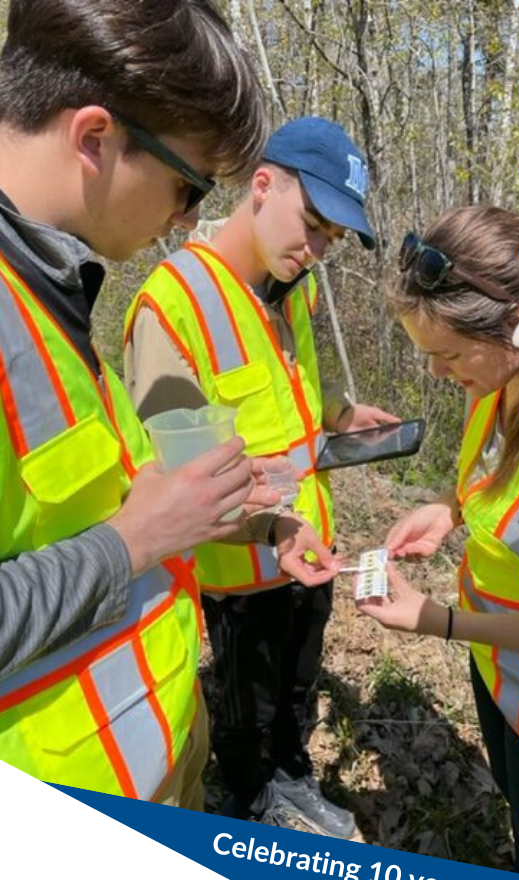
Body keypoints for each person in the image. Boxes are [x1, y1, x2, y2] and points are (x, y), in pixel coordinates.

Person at [0, 0, 269, 807]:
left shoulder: (48, 284)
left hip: (148, 753)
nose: (185, 222)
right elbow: (120, 538)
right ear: (93, 139)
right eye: (188, 188)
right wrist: (137, 537)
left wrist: (193, 505)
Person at [126, 117, 398, 837]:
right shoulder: (171, 306)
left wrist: (338, 414)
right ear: (262, 184)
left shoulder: (291, 285)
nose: (314, 249)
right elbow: (180, 476)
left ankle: (292, 776)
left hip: (310, 540)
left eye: (331, 240)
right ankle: (250, 802)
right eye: (311, 225)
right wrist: (267, 524)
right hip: (241, 561)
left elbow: (287, 388)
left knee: (298, 683)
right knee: (248, 699)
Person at [355, 207, 519, 875]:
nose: (437, 374)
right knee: (513, 804)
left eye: (450, 355)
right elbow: (485, 479)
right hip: (494, 665)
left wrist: (432, 619)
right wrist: (446, 509)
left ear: (518, 322)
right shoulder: (493, 383)